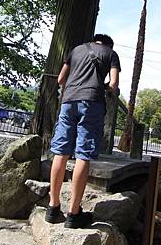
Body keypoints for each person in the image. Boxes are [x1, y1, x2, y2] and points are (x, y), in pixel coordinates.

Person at [47, 33, 121, 228]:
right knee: (83, 154)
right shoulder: (111, 53)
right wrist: (105, 89)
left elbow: (61, 79)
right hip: (92, 103)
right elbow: (113, 83)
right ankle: (73, 213)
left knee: (60, 152)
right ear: (108, 44)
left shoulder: (76, 50)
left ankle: (53, 208)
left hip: (68, 101)